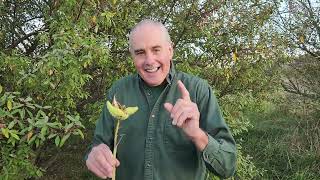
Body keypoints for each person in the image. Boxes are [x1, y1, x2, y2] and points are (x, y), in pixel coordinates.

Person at [85, 19, 236, 180]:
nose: (149, 60)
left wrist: (197, 135)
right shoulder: (119, 91)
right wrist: (94, 155)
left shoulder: (198, 91)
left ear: (170, 50)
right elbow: (97, 145)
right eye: (140, 52)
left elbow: (227, 167)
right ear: (132, 56)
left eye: (156, 50)